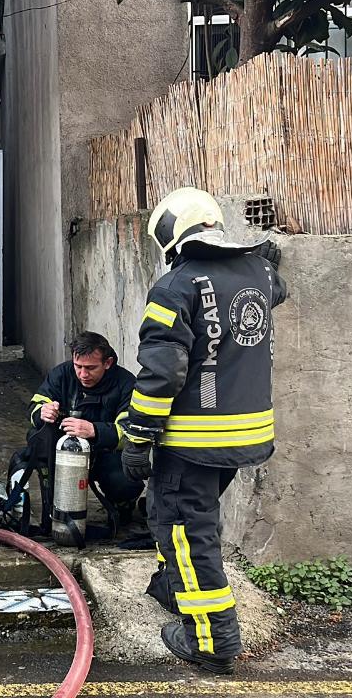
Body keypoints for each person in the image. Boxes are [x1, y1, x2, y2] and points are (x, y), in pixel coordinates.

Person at [121, 186, 285, 675]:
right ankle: (175, 588)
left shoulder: (175, 288)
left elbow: (161, 376)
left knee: (189, 534)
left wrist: (137, 437)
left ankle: (212, 639)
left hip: (192, 442)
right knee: (172, 522)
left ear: (170, 237)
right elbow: (277, 288)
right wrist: (269, 254)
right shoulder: (261, 273)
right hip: (245, 437)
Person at [9, 331, 145, 531]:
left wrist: (95, 431)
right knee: (33, 449)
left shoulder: (126, 383)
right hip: (62, 454)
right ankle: (52, 507)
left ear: (107, 363)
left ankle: (122, 506)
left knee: (125, 480)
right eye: (78, 366)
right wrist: (43, 413)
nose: (83, 374)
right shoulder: (61, 374)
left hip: (104, 455)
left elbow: (130, 432)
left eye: (90, 368)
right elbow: (35, 405)